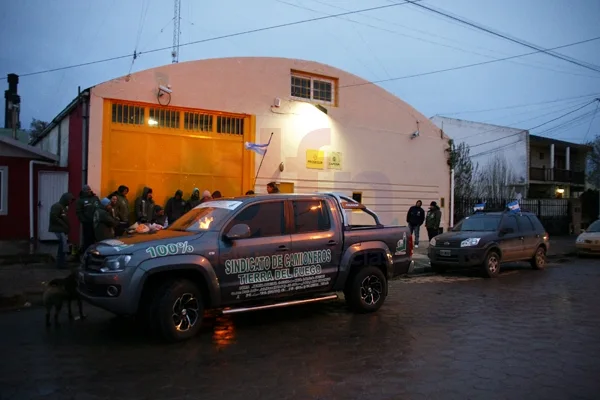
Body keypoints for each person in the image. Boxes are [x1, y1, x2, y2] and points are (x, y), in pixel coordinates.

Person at [48, 192, 74, 269]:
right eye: (69, 200)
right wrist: (64, 225)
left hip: (62, 229)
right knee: (63, 246)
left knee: (63, 246)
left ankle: (62, 262)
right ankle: (60, 263)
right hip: (58, 229)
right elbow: (54, 217)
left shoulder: (63, 207)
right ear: (65, 199)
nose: (70, 202)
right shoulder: (57, 206)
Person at [75, 185, 100, 254]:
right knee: (88, 239)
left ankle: (96, 253)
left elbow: (99, 207)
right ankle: (87, 254)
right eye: (87, 190)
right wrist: (84, 220)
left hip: (97, 222)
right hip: (87, 223)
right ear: (83, 191)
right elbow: (79, 212)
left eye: (89, 190)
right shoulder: (80, 200)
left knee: (96, 238)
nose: (89, 191)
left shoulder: (95, 198)